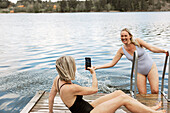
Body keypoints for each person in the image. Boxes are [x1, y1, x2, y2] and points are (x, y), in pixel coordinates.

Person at [49, 56, 166, 113]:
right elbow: (94, 89)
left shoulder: (58, 80)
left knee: (119, 93)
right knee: (123, 99)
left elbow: (51, 97)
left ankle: (148, 109)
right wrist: (93, 73)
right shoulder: (71, 88)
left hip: (86, 107)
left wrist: (50, 112)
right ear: (70, 68)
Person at [94, 28, 168, 94]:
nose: (123, 38)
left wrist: (163, 51)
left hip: (150, 67)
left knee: (155, 91)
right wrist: (97, 67)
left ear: (130, 36)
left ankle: (156, 107)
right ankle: (147, 108)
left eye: (125, 35)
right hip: (139, 72)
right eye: (122, 36)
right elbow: (112, 63)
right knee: (142, 94)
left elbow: (151, 48)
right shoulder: (121, 50)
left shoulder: (138, 42)